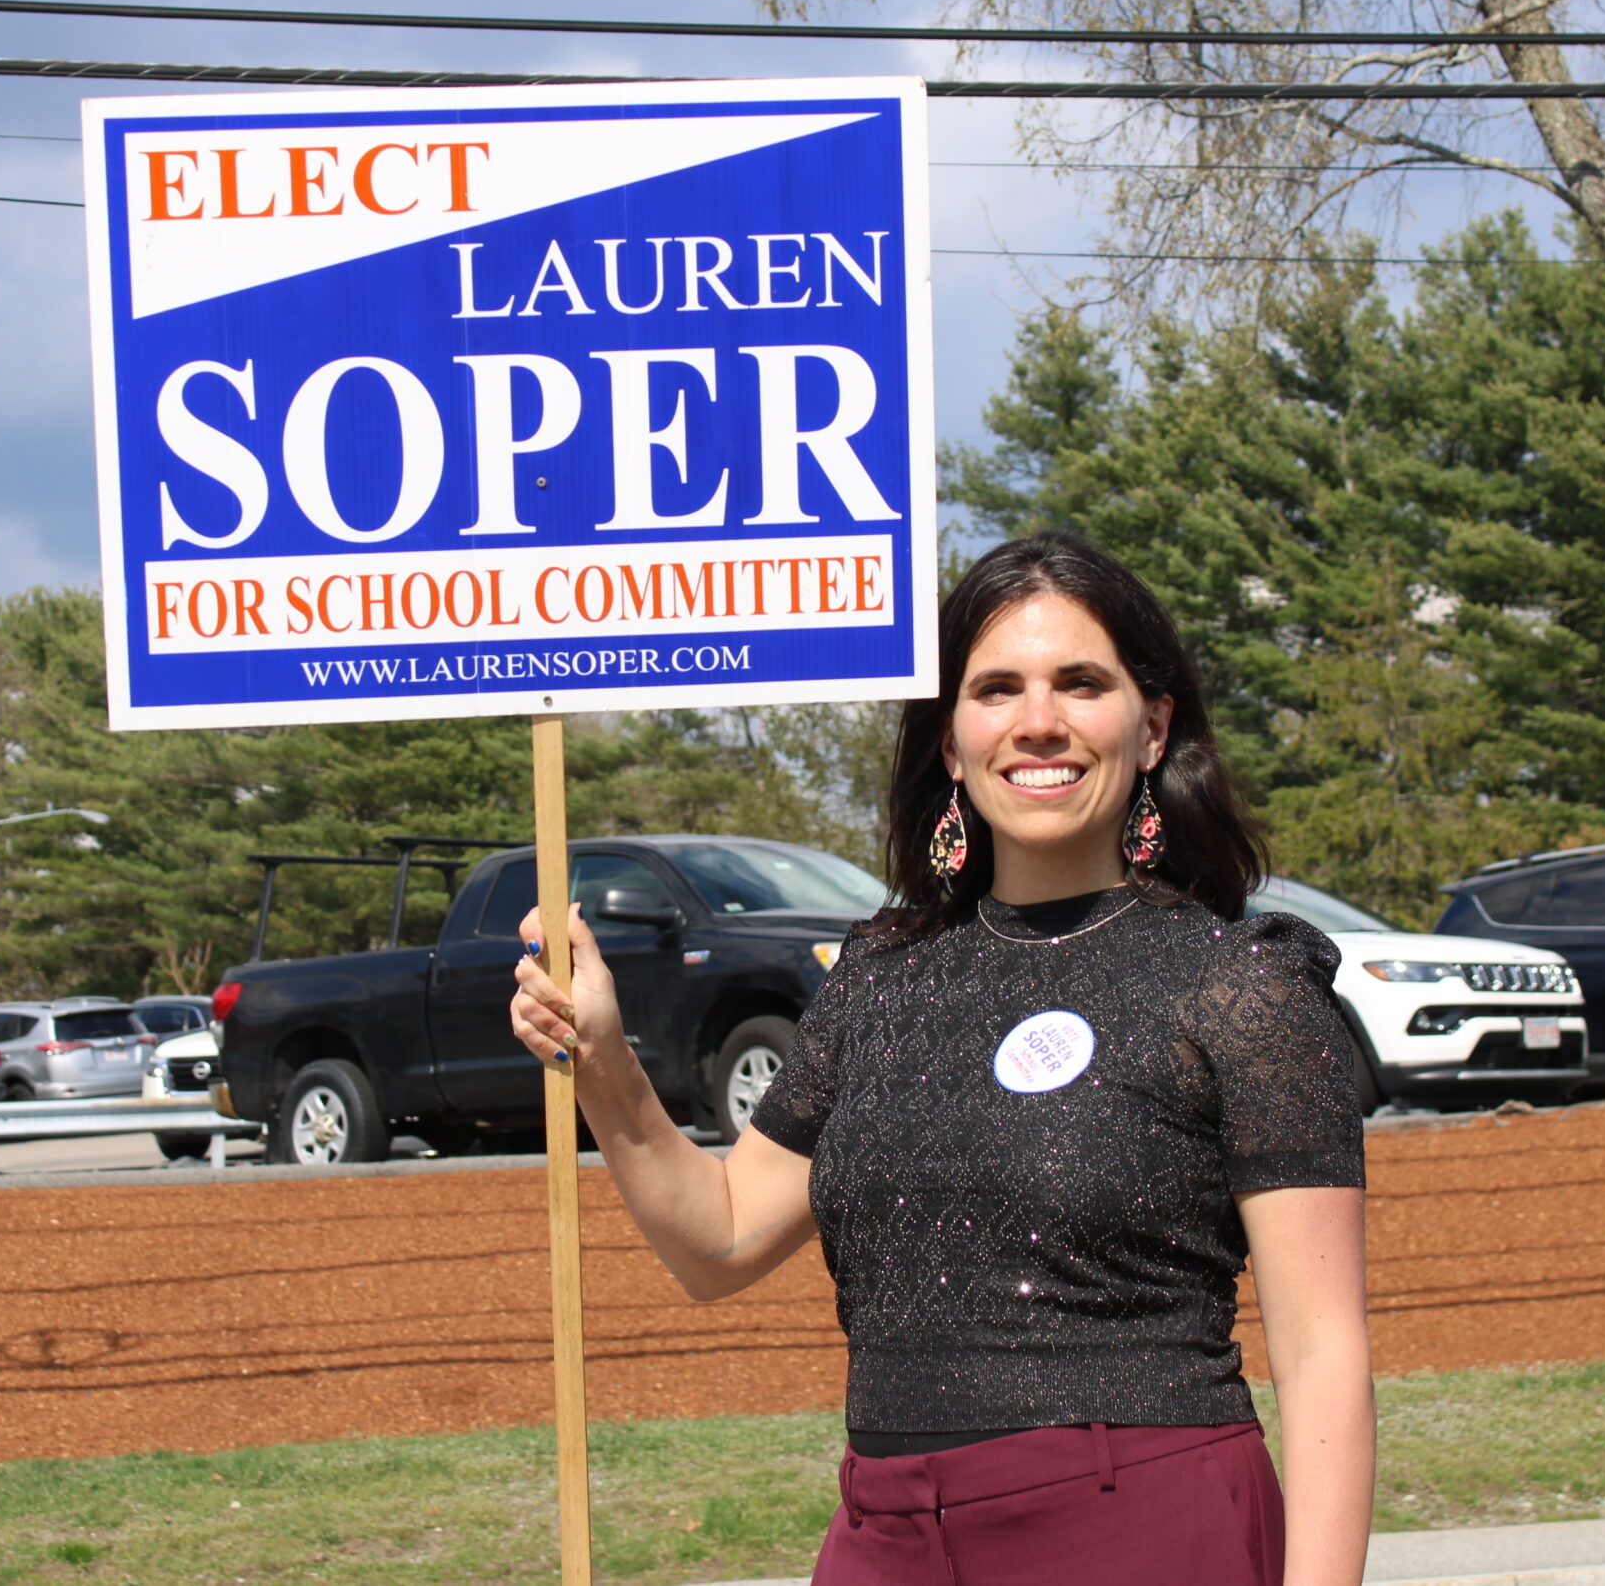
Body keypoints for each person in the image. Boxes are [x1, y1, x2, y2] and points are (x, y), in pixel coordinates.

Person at [511, 530, 1372, 1586]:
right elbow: (719, 1241)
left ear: (1152, 728)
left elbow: (1323, 1354)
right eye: (996, 689)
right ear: (953, 744)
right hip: (884, 1539)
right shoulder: (880, 977)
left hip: (1144, 1523)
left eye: (1080, 683)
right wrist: (603, 1059)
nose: (1038, 721)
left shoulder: (1241, 986)